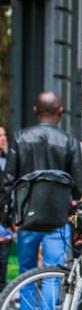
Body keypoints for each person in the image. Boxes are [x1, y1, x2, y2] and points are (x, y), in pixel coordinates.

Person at [1, 93, 82, 310]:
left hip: (27, 217)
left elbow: (8, 181)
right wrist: (78, 224)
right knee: (51, 275)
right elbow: (79, 185)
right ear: (59, 111)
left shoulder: (20, 137)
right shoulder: (69, 141)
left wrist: (8, 218)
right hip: (57, 218)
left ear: (36, 109)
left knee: (26, 272)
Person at [0, 126, 12, 294]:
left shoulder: (9, 161)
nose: (3, 138)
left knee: (3, 263)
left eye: (4, 135)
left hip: (5, 221)